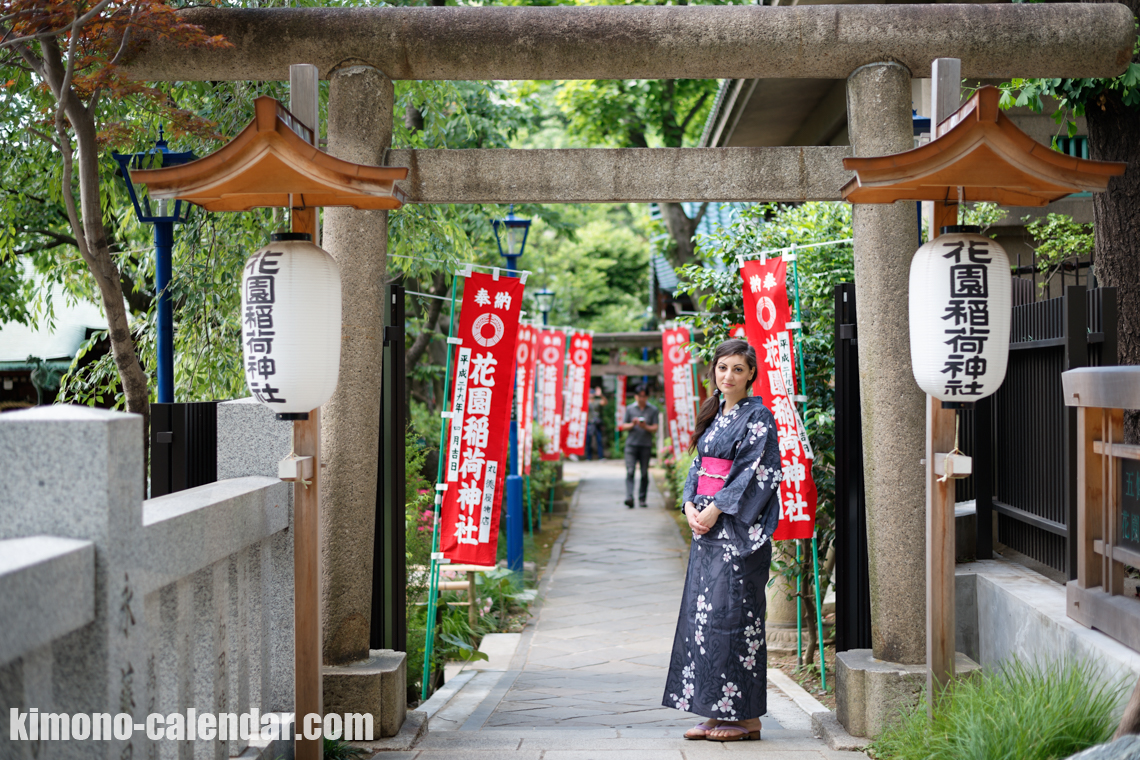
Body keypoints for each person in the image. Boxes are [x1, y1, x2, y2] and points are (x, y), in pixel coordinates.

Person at [662, 339, 782, 742]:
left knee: (734, 619)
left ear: (751, 374)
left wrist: (717, 508)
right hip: (707, 533)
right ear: (713, 371)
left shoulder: (759, 417)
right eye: (722, 368)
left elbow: (757, 473)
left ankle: (746, 718)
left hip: (737, 535)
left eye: (736, 369)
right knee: (706, 621)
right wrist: (690, 506)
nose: (727, 375)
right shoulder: (716, 414)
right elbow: (697, 467)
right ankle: (713, 710)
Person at [618, 383, 659, 508]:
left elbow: (655, 428)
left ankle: (642, 499)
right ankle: (629, 497)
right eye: (639, 396)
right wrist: (633, 424)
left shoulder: (653, 410)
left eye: (644, 396)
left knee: (644, 473)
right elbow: (623, 426)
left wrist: (645, 426)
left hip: (645, 445)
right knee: (630, 471)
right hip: (631, 445)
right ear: (635, 396)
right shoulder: (630, 409)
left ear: (647, 397)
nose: (641, 399)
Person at [586, 387, 607, 460]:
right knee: (588, 441)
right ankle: (588, 457)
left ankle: (600, 456)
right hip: (589, 423)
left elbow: (605, 402)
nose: (591, 395)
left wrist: (601, 395)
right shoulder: (585, 401)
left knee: (599, 440)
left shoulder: (597, 401)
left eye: (592, 393)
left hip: (597, 423)